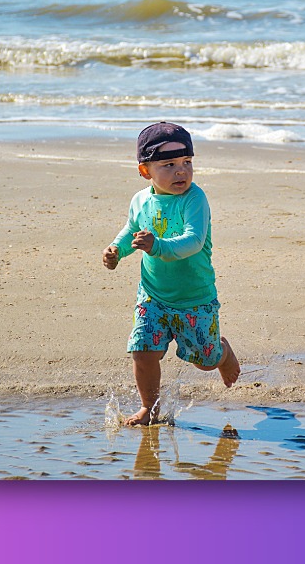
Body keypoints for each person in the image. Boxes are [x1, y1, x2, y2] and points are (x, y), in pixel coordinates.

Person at [102, 122, 240, 426]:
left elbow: (194, 241)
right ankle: (149, 408)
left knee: (204, 360)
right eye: (169, 165)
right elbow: (130, 232)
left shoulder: (194, 199)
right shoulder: (140, 200)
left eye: (187, 162)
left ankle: (223, 354)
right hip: (153, 295)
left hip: (195, 297)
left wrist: (157, 246)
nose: (181, 171)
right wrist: (116, 250)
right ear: (145, 170)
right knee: (143, 350)